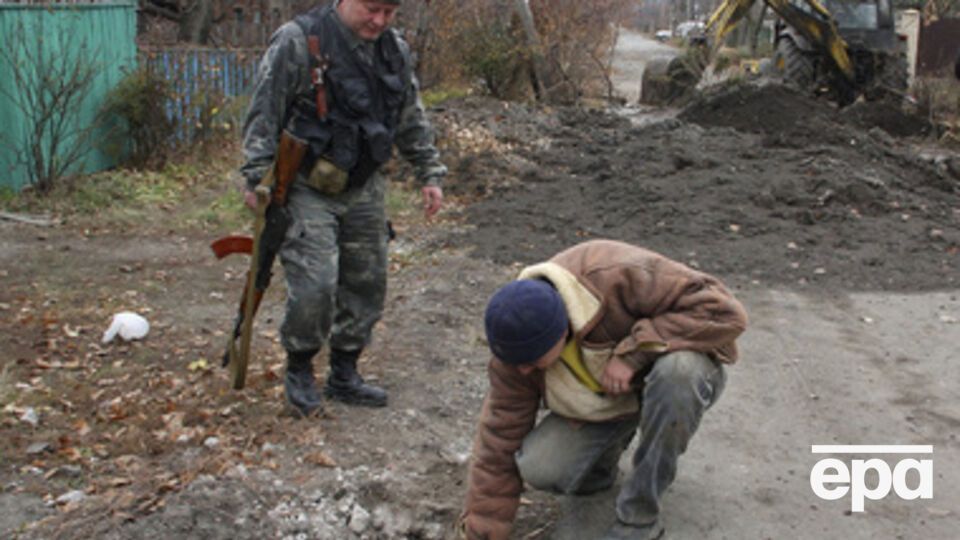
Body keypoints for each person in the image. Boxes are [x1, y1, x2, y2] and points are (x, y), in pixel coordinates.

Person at [459, 239, 749, 540]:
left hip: (675, 378)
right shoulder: (516, 343)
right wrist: (485, 524)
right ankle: (603, 463)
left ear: (561, 331)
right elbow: (501, 434)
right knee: (540, 467)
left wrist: (635, 354)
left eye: (532, 363)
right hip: (608, 401)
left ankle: (639, 517)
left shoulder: (614, 272)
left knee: (678, 373)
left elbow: (725, 312)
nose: (523, 371)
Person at [239, 0, 446, 416]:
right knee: (315, 283)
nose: (379, 21)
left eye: (389, 13)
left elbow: (409, 114)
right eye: (372, 9)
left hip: (364, 182)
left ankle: (344, 371)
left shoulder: (394, 50)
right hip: (304, 183)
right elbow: (264, 110)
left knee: (367, 280)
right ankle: (299, 368)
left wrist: (429, 172)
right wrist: (255, 177)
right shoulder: (300, 41)